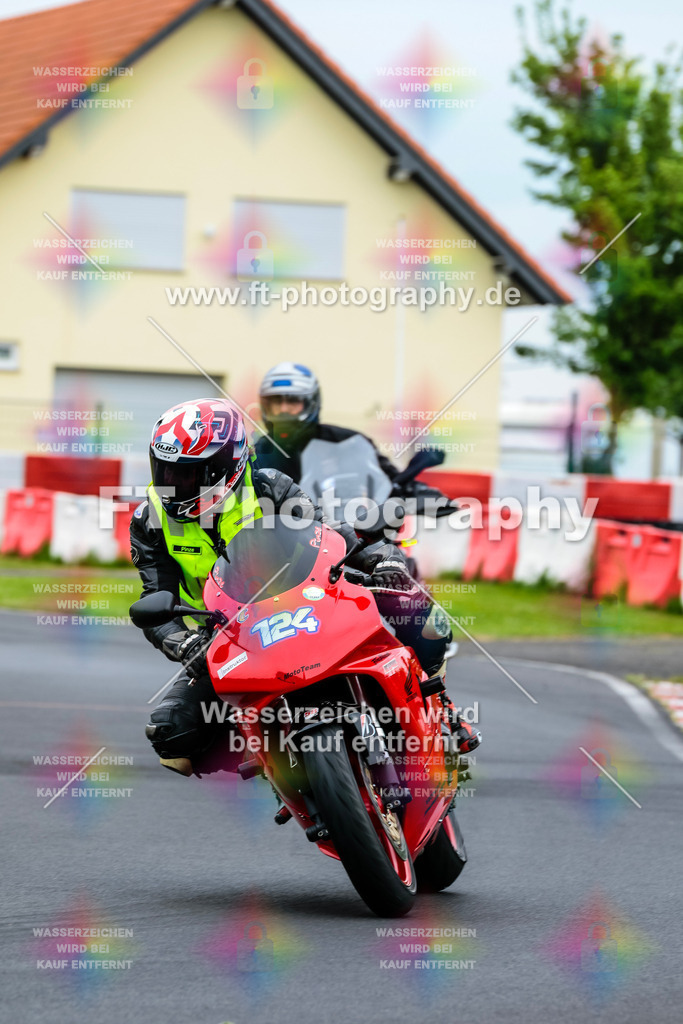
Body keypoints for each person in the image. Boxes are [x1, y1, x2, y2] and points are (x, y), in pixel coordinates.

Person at [131, 398, 475, 778]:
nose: (174, 486)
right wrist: (183, 643)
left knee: (411, 604)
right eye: (166, 471)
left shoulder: (269, 487)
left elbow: (331, 531)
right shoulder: (149, 520)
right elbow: (155, 599)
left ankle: (438, 701)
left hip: (311, 599)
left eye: (190, 475)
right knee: (172, 739)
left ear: (227, 466)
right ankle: (280, 759)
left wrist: (380, 557)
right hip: (229, 632)